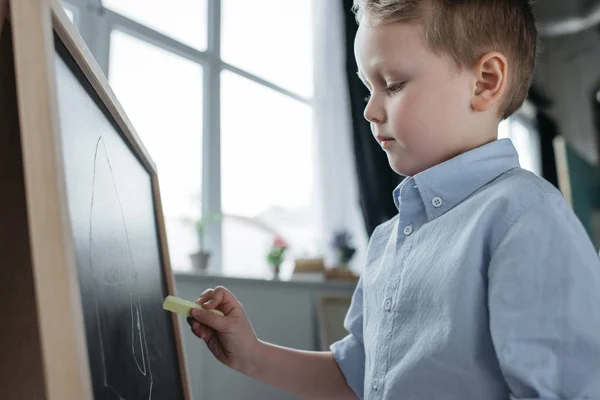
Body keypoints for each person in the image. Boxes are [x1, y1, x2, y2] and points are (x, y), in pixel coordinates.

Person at [188, 1, 600, 398]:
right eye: (368, 87)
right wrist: (252, 355)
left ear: (485, 82)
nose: (369, 110)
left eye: (393, 84)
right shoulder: (388, 238)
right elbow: (361, 378)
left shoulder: (524, 216)